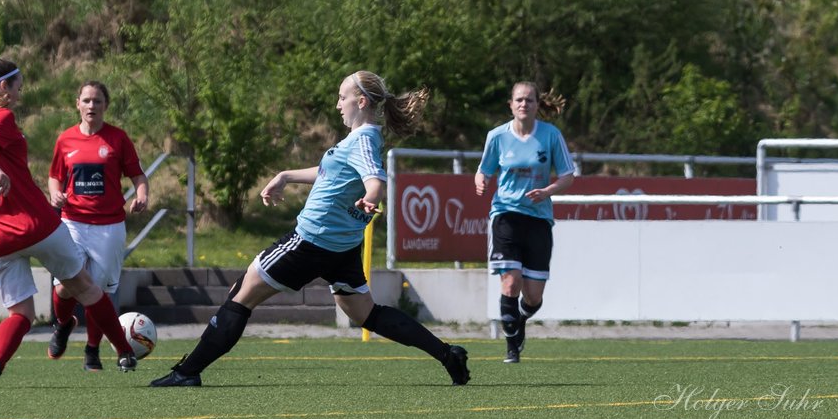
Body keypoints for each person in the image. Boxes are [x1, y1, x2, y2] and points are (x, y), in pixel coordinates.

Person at [150, 70, 470, 387]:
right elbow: (331, 172)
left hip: (311, 241)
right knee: (365, 314)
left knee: (240, 296)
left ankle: (187, 372)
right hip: (342, 248)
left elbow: (375, 179)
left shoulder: (362, 140)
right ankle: (447, 355)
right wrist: (286, 175)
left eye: (342, 97)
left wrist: (371, 197)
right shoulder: (364, 137)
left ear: (360, 101)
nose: (337, 104)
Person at [0, 58, 139, 388]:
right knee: (84, 286)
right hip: (34, 224)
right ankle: (125, 352)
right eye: (18, 86)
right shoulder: (0, 116)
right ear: (3, 88)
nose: (20, 92)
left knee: (21, 314)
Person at [46, 80, 149, 371]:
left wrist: (142, 195)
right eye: (87, 100)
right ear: (77, 104)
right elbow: (55, 176)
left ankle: (92, 350)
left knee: (97, 292)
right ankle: (63, 325)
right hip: (72, 223)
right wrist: (55, 192)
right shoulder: (65, 140)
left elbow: (138, 176)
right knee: (66, 285)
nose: (92, 106)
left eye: (98, 101)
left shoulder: (117, 139)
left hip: (109, 227)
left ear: (106, 105)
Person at [474, 81, 576, 363]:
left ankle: (519, 320)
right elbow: (483, 170)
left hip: (539, 219)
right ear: (510, 104)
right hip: (505, 214)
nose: (523, 104)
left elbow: (567, 175)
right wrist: (481, 181)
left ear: (536, 105)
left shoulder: (551, 136)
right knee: (510, 281)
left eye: (529, 100)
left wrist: (547, 191)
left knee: (533, 296)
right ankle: (511, 345)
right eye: (519, 100)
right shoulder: (497, 136)